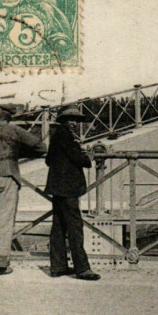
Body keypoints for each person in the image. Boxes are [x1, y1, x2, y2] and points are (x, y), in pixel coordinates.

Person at [0, 104, 47, 276]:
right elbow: (40, 147)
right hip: (6, 175)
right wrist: (17, 150)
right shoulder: (14, 130)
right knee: (4, 220)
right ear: (8, 117)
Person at [45, 107, 101, 281]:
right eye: (71, 120)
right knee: (75, 228)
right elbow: (82, 161)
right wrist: (89, 156)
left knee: (59, 227)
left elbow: (48, 160)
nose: (75, 123)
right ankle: (82, 269)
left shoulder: (56, 135)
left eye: (76, 120)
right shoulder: (66, 136)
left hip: (57, 188)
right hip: (68, 189)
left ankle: (58, 266)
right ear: (64, 121)